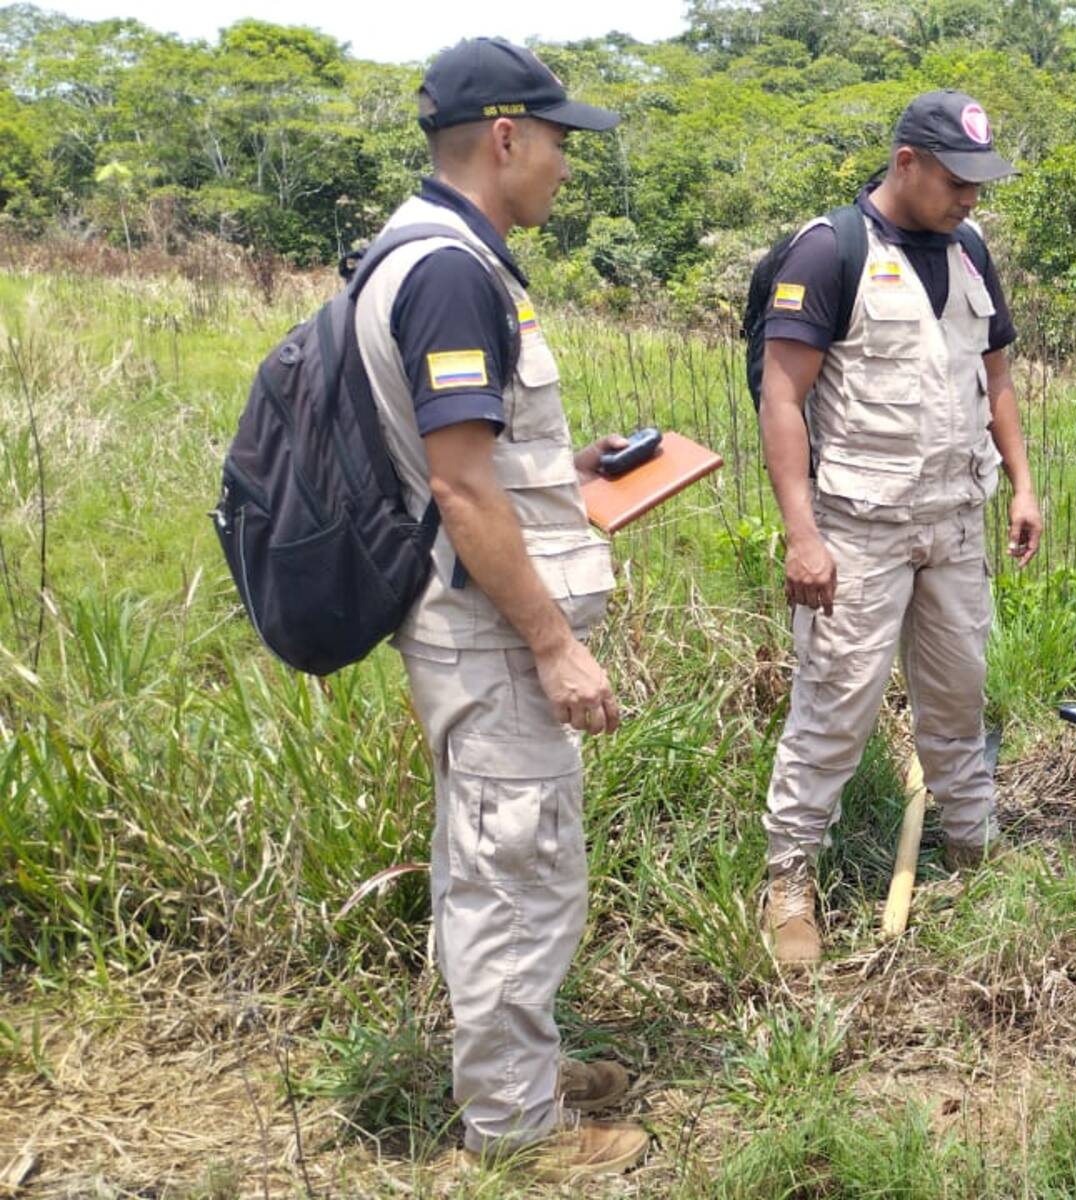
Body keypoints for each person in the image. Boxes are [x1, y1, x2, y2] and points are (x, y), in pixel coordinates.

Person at [352, 38, 647, 1178]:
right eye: (561, 142)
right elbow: (461, 488)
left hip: (465, 618)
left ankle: (519, 1074)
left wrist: (558, 464)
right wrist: (557, 643)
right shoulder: (449, 271)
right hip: (483, 631)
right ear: (509, 136)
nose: (567, 168)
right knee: (513, 869)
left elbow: (476, 458)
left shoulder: (424, 250)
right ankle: (519, 1134)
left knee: (501, 860)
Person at [758, 90, 1043, 965]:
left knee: (959, 693)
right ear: (906, 161)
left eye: (980, 184)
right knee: (836, 703)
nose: (970, 199)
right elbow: (782, 395)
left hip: (956, 518)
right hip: (858, 526)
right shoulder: (829, 248)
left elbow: (993, 379)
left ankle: (971, 844)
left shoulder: (971, 251)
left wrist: (1023, 486)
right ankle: (789, 879)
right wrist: (803, 535)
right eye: (958, 181)